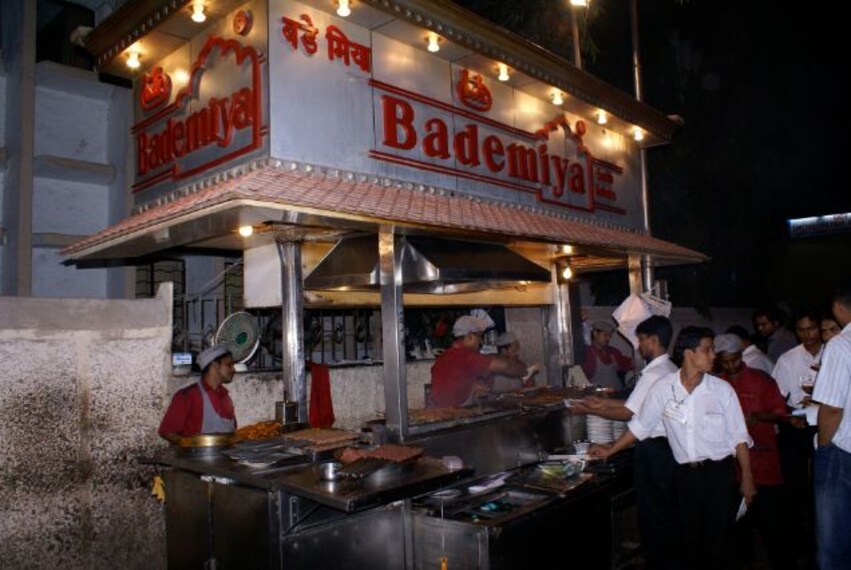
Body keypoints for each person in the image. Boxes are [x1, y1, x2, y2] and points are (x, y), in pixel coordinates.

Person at [591, 326, 755, 570]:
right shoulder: (663, 388)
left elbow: (739, 437)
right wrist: (611, 449)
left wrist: (748, 478)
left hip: (719, 475)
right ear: (689, 353)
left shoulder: (721, 390)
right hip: (685, 476)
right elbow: (641, 426)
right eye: (707, 350)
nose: (713, 356)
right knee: (688, 541)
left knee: (719, 542)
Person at [573, 316, 681, 569]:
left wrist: (593, 419)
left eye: (642, 340)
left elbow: (630, 414)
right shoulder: (669, 369)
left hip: (654, 452)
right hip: (666, 452)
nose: (639, 345)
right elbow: (636, 403)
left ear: (653, 340)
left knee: (654, 516)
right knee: (664, 514)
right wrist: (601, 404)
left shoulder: (654, 372)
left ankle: (660, 561)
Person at [714, 333, 794, 570]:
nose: (731, 366)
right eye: (725, 361)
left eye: (734, 360)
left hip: (764, 462)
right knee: (737, 528)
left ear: (741, 355)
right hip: (733, 467)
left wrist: (757, 417)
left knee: (773, 527)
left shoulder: (761, 381)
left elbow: (782, 413)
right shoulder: (717, 383)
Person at [771, 310, 824, 567]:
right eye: (802, 330)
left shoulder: (834, 354)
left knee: (822, 483)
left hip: (825, 424)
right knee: (794, 485)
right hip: (796, 424)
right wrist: (788, 416)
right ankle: (798, 542)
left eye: (812, 328)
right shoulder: (788, 360)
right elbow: (778, 399)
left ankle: (820, 537)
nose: (808, 335)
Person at [812, 282, 851, 570]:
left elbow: (832, 408)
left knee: (833, 545)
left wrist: (823, 447)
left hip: (842, 451)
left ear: (839, 308)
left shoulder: (840, 344)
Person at [429, 316, 527, 407]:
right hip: (454, 417)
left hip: (437, 414)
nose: (481, 342)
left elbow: (452, 383)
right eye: (479, 337)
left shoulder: (443, 357)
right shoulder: (467, 356)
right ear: (470, 336)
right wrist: (524, 371)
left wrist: (474, 385)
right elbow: (505, 367)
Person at [158, 344, 237, 444]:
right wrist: (190, 445)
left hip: (225, 457)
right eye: (229, 365)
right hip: (196, 457)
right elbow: (167, 432)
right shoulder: (188, 396)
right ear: (214, 366)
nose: (233, 369)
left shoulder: (225, 396)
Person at [581, 319, 634, 391]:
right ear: (595, 333)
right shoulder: (587, 353)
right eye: (605, 335)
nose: (608, 338)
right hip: (598, 397)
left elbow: (627, 363)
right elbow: (582, 380)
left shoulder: (613, 352)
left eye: (610, 336)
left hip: (617, 394)